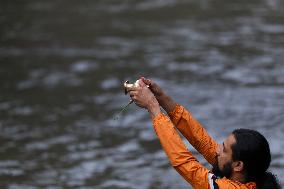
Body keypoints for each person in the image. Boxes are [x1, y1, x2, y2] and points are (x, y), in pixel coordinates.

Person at [128, 77, 281, 189]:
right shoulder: (250, 180)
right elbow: (203, 141)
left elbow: (185, 163)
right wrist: (162, 98)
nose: (217, 150)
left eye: (224, 149)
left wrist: (153, 108)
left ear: (238, 165)